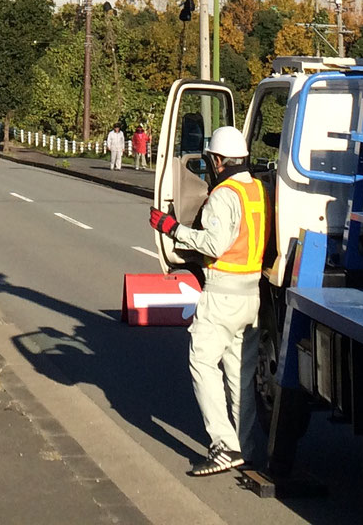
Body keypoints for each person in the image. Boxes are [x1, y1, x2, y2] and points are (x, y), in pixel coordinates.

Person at [150, 124, 266, 477]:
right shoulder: (256, 190)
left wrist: (172, 228)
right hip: (252, 293)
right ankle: (245, 446)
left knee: (202, 361)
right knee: (241, 374)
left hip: (223, 293)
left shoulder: (223, 195)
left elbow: (214, 245)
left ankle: (223, 445)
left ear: (217, 161)